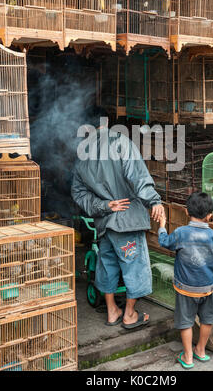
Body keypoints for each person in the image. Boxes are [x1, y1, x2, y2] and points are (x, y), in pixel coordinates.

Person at [71, 106, 164, 329]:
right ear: (107, 122)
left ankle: (112, 311)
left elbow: (78, 193)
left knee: (107, 267)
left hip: (104, 223)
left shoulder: (82, 155)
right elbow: (138, 177)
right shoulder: (120, 142)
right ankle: (129, 314)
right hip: (127, 221)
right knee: (135, 269)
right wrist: (154, 200)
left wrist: (104, 205)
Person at [158, 192, 213, 369]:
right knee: (207, 319)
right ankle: (201, 350)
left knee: (186, 321)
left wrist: (162, 226)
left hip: (185, 289)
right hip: (207, 288)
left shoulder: (181, 233)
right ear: (209, 215)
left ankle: (187, 356)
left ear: (187, 212)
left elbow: (164, 242)